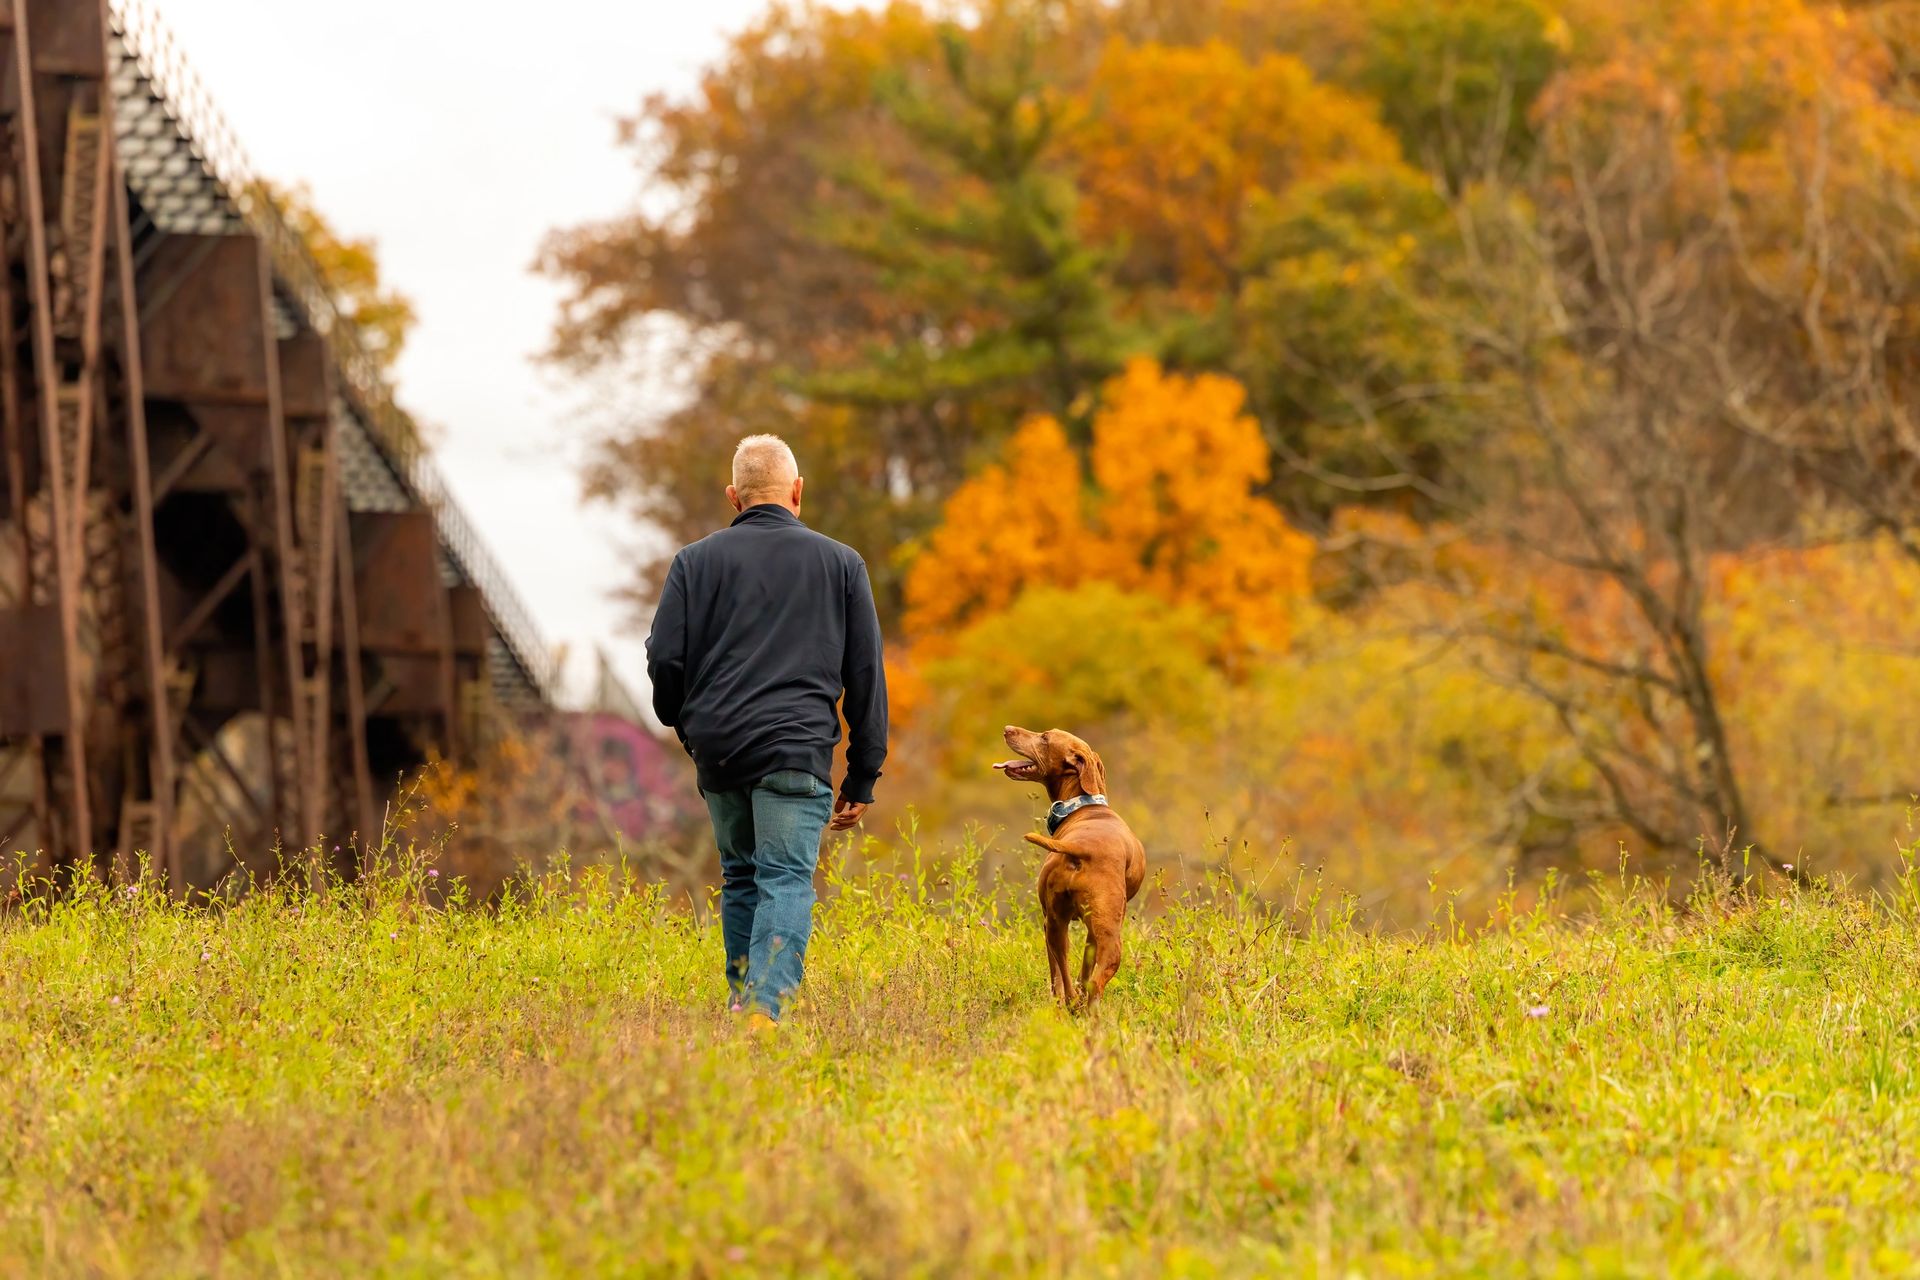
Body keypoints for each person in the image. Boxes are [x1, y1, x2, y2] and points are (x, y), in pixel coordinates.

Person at [645, 435, 888, 1028]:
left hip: (721, 751)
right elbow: (865, 675)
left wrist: (686, 723)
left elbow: (664, 659)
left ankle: (742, 1003)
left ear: (734, 497)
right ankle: (763, 1014)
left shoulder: (693, 563)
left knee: (742, 875)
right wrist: (863, 773)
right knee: (784, 877)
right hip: (795, 750)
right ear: (797, 491)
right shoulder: (841, 563)